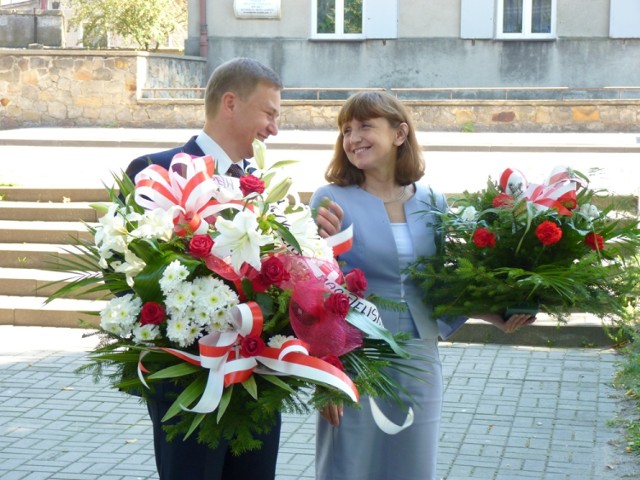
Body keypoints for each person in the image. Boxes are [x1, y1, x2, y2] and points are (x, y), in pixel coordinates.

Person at [124, 57, 341, 480]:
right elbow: (128, 275)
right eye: (269, 113)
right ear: (230, 103)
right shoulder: (155, 171)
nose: (274, 128)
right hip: (188, 379)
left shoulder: (264, 185)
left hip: (260, 378)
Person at [310, 91, 535, 480]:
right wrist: (324, 373)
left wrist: (497, 313)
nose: (353, 138)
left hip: (417, 357)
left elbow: (438, 285)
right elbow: (314, 289)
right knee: (348, 467)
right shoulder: (331, 199)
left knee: (411, 467)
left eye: (365, 126)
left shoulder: (432, 200)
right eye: (346, 130)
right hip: (357, 359)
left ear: (399, 134)